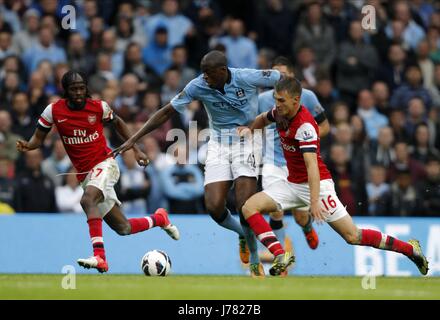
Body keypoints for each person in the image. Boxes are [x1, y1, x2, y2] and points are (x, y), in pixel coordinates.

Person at [112, 50, 282, 276]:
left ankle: (253, 259)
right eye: (203, 74)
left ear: (223, 71)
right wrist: (133, 139)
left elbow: (283, 79)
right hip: (218, 143)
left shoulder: (247, 77)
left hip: (246, 140)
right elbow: (166, 112)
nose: (206, 79)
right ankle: (243, 233)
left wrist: (289, 107)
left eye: (209, 74)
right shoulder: (198, 85)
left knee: (244, 204)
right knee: (213, 207)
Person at [238, 76, 429, 276]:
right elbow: (262, 118)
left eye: (282, 100)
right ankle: (280, 254)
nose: (277, 104)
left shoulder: (305, 127)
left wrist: (314, 202)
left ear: (296, 100)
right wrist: (249, 130)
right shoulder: (279, 112)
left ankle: (410, 249)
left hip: (318, 186)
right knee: (249, 207)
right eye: (276, 99)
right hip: (292, 184)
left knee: (353, 235)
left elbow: (312, 167)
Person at [16, 71, 179, 273]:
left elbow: (118, 123)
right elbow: (38, 139)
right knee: (123, 228)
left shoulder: (99, 107)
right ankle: (160, 219)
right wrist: (28, 146)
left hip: (105, 164)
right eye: (73, 89)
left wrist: (135, 149)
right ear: (65, 91)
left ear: (86, 89)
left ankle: (100, 257)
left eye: (81, 88)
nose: (78, 93)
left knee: (87, 200)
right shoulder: (53, 111)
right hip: (86, 175)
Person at [258, 57, 328, 267]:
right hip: (272, 161)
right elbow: (258, 125)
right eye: (275, 75)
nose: (280, 79)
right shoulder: (262, 99)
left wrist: (306, 141)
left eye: (284, 75)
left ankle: (306, 227)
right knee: (275, 209)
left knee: (299, 216)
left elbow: (324, 126)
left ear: (292, 77)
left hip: (296, 162)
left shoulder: (307, 97)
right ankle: (281, 258)